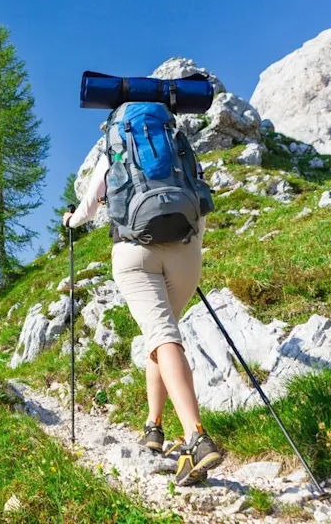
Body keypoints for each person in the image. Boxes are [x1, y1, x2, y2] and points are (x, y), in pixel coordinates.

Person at [63, 155, 223, 487]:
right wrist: (190, 250)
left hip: (134, 249)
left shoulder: (117, 147)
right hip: (185, 249)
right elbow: (200, 196)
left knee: (161, 335)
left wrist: (70, 222)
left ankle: (196, 437)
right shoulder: (177, 145)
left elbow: (90, 205)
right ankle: (154, 427)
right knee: (162, 335)